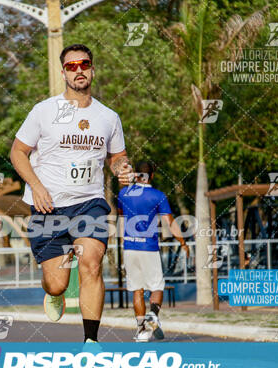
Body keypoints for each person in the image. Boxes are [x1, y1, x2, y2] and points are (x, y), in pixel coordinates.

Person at [10, 43, 133, 344]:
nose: (79, 70)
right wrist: (37, 187)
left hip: (90, 204)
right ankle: (54, 294)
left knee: (92, 263)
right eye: (71, 66)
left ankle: (91, 342)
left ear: (92, 68)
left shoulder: (108, 117)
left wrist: (122, 169)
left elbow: (117, 158)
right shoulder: (44, 111)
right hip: (48, 206)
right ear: (64, 72)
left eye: (84, 64)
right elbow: (18, 152)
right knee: (57, 283)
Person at [117, 162, 188, 342]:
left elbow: (121, 215)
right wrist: (183, 242)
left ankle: (141, 331)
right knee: (157, 286)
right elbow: (169, 222)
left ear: (136, 174)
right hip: (148, 247)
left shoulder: (124, 193)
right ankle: (153, 314)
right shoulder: (158, 196)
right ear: (152, 176)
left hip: (129, 247)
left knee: (137, 290)